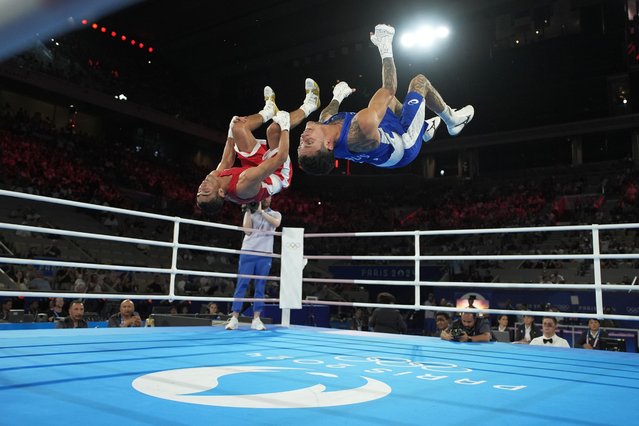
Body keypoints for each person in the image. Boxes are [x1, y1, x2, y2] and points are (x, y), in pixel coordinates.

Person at [297, 24, 474, 175]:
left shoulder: (325, 128)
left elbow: (327, 115)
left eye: (301, 144)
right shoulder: (360, 128)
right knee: (419, 82)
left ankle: (425, 129)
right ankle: (453, 122)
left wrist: (338, 96)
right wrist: (385, 47)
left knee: (382, 103)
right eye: (309, 142)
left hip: (383, 142)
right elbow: (389, 89)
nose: (303, 136)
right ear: (329, 144)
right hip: (404, 145)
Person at [197, 80, 320, 214]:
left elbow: (227, 160)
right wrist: (285, 127)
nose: (202, 186)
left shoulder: (214, 178)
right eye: (206, 191)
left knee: (238, 127)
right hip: (276, 173)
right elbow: (281, 158)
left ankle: (269, 110)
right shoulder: (243, 186)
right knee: (273, 130)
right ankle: (311, 104)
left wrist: (230, 131)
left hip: (254, 169)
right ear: (221, 192)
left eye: (199, 192)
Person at [225, 196, 281, 331]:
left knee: (260, 286)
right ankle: (234, 318)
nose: (267, 199)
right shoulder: (251, 212)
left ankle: (256, 318)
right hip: (248, 251)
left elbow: (276, 224)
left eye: (269, 197)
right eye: (264, 197)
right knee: (242, 283)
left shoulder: (275, 214)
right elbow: (247, 231)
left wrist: (261, 211)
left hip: (265, 254)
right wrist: (249, 210)